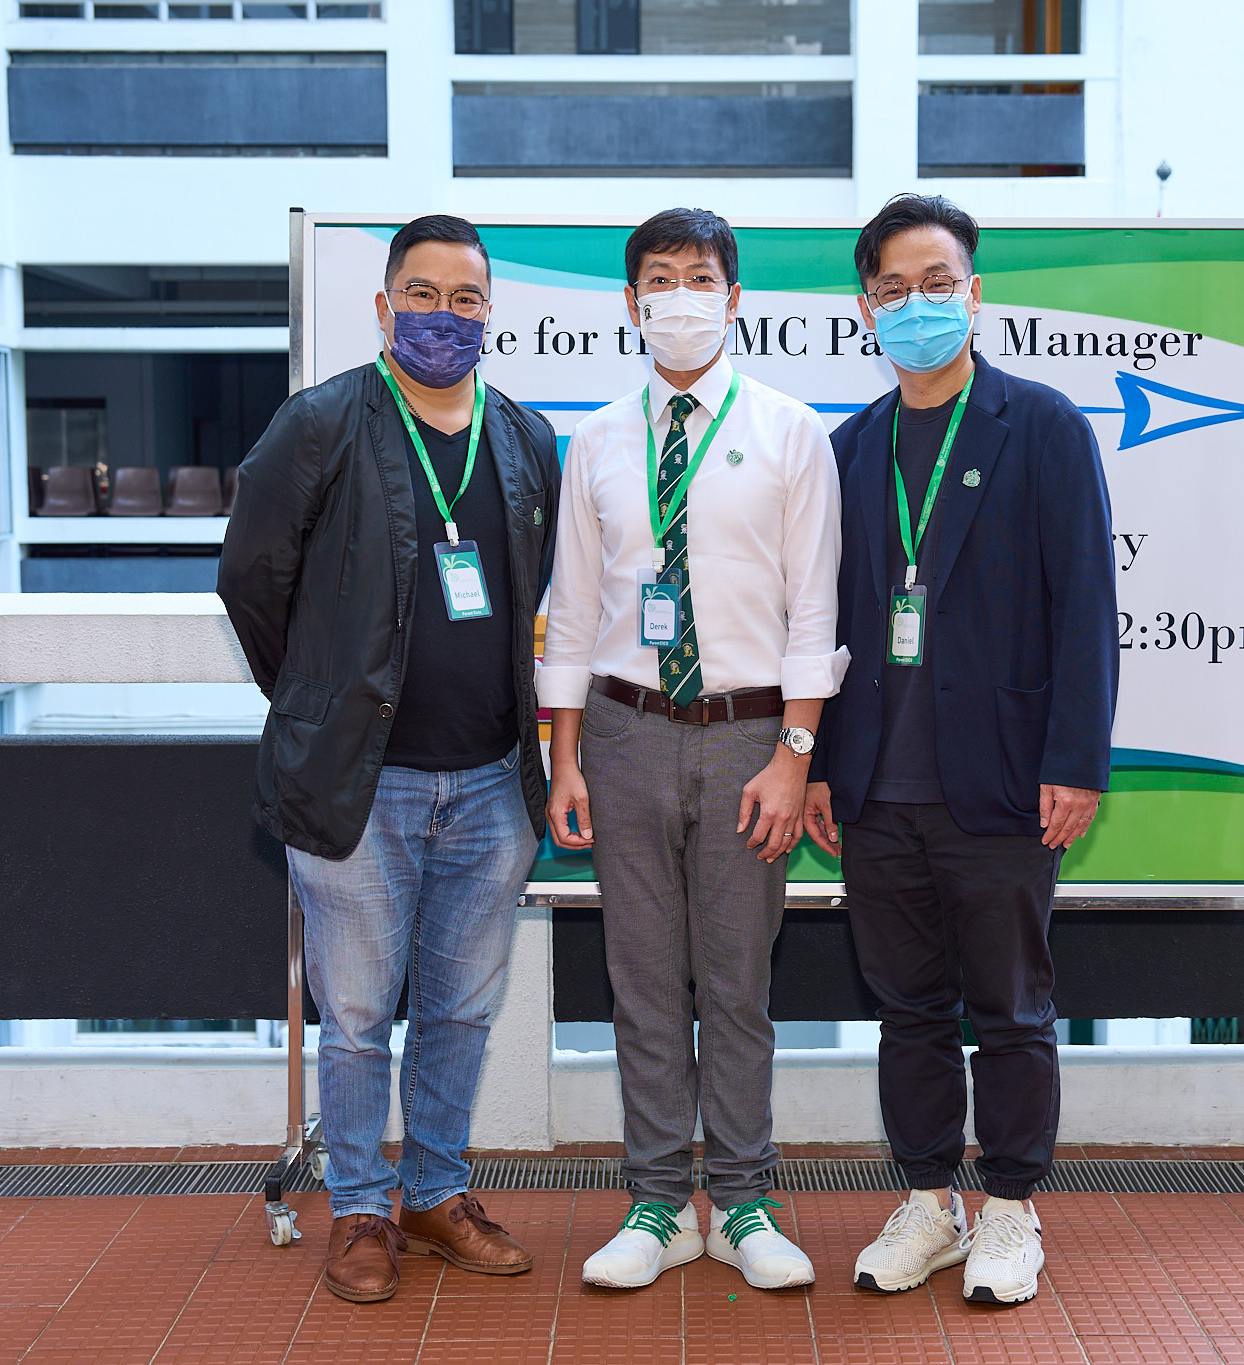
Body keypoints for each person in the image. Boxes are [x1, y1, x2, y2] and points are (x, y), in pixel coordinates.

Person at [218, 214, 560, 1305]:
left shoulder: (524, 438)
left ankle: (436, 1194)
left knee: (460, 1011)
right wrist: (318, 704)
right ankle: (361, 1208)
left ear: (489, 312)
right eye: (422, 295)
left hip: (493, 785)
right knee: (360, 1017)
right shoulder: (319, 424)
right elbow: (250, 581)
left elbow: (540, 590)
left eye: (465, 299)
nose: (442, 316)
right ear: (382, 306)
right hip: (359, 788)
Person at [802, 194, 1118, 1306]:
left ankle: (1012, 1209)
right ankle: (930, 1202)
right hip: (876, 787)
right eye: (893, 289)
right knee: (909, 1010)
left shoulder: (1042, 426)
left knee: (1012, 1011)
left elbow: (1086, 606)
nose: (917, 305)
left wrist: (1075, 759)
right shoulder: (850, 447)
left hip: (1004, 780)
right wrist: (819, 764)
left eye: (937, 283)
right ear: (866, 309)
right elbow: (824, 621)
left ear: (973, 293)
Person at [539, 207, 846, 1291]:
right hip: (623, 734)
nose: (681, 296)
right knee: (642, 981)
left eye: (700, 276)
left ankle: (746, 1199)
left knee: (736, 979)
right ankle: (661, 1202)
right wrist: (564, 757)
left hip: (750, 739)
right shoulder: (596, 441)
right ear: (631, 304)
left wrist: (795, 754)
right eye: (659, 279)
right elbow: (573, 612)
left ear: (734, 297)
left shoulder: (790, 432)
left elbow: (815, 611)